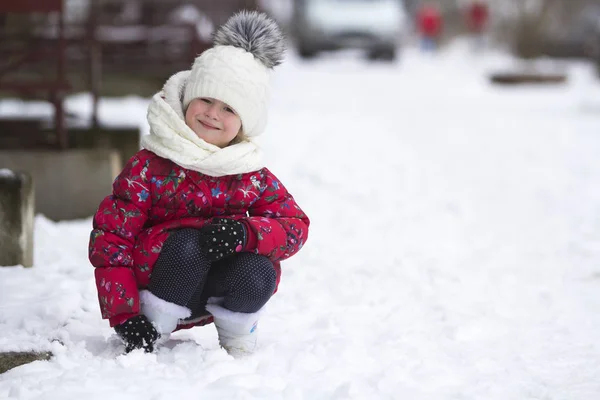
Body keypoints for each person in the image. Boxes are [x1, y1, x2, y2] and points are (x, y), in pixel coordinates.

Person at [88, 11, 310, 357]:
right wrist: (124, 312)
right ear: (189, 97)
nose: (212, 114)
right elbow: (112, 238)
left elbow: (294, 225)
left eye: (228, 109)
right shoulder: (150, 167)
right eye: (206, 99)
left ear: (244, 122)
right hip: (162, 286)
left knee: (258, 267)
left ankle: (237, 330)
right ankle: (153, 327)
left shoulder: (249, 174)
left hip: (217, 288)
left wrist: (246, 233)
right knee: (188, 244)